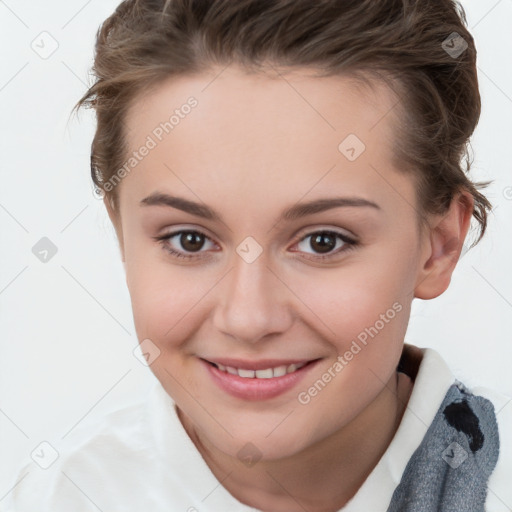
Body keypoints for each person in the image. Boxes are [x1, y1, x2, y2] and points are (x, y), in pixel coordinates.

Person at [4, 0, 511, 511]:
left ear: (439, 245)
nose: (248, 318)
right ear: (122, 235)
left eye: (323, 241)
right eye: (190, 240)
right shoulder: (59, 497)